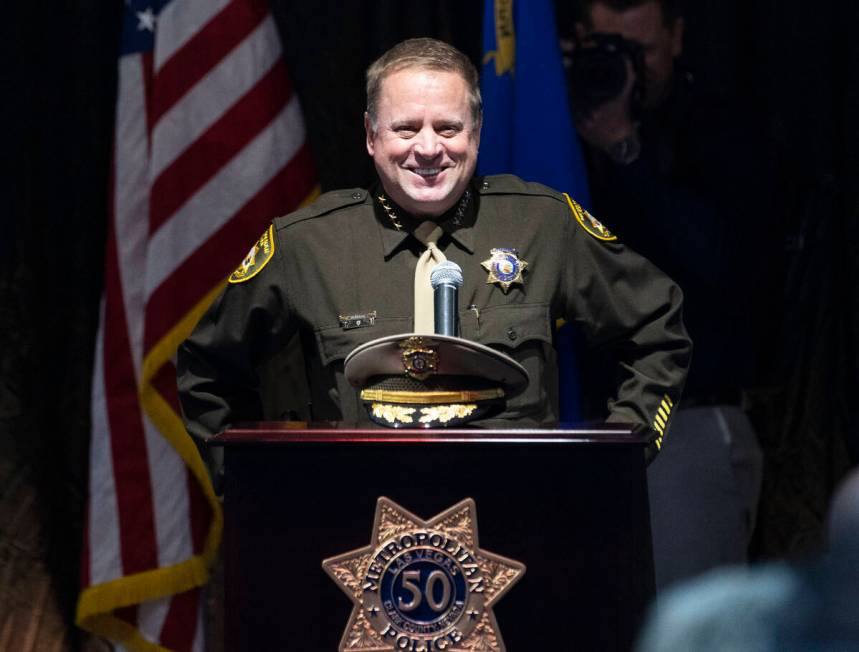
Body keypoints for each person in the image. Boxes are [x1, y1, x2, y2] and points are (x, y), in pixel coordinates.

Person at [176, 37, 691, 488]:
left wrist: (622, 454)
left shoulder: (543, 225)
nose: (428, 149)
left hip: (516, 521)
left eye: (448, 127)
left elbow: (657, 326)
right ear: (371, 136)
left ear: (477, 132)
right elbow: (206, 368)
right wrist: (257, 486)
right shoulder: (306, 244)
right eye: (405, 128)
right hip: (357, 531)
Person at [569, 0, 771, 589]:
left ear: (677, 38)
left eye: (642, 51)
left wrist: (623, 147)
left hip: (684, 420)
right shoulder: (548, 124)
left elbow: (721, 263)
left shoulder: (721, 126)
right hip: (573, 420)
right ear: (578, 40)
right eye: (608, 49)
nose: (628, 68)